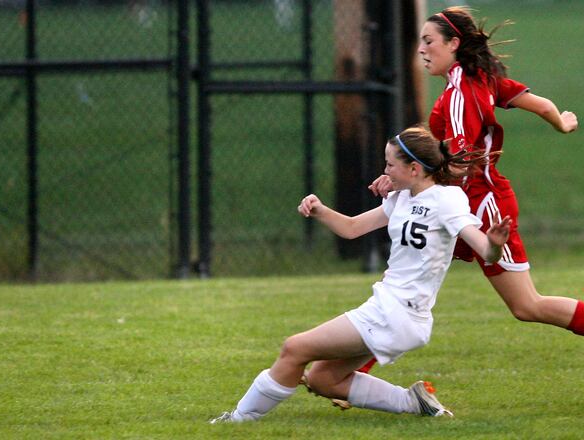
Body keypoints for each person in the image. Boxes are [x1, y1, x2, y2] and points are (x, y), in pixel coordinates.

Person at [367, 7, 584, 390]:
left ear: (454, 44)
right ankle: (354, 369)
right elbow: (541, 105)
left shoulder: (460, 93)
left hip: (479, 206)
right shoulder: (481, 79)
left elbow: (459, 163)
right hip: (467, 202)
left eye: (428, 41)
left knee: (526, 305)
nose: (421, 49)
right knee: (409, 278)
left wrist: (404, 178)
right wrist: (563, 123)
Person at [210, 126, 512, 423]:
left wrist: (495, 245)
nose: (386, 171)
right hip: (391, 310)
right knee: (323, 379)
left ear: (415, 169)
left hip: (397, 314)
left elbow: (484, 250)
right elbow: (352, 228)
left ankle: (238, 420)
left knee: (294, 348)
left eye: (391, 164)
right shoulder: (402, 198)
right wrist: (319, 210)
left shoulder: (446, 200)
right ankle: (414, 401)